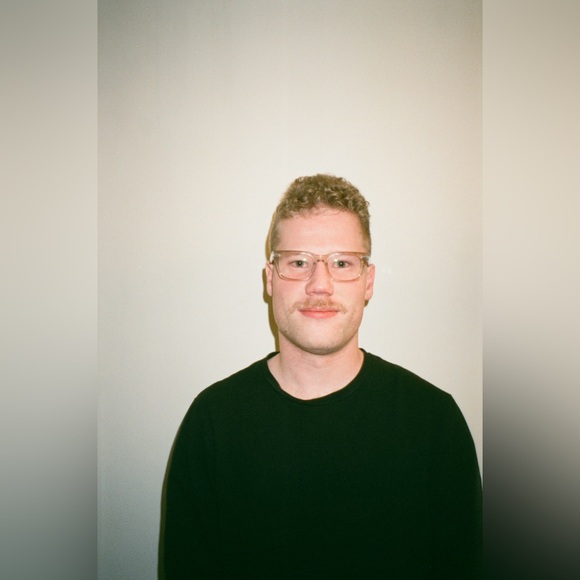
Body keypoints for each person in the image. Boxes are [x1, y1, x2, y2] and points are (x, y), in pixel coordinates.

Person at [163, 174, 482, 579]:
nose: (320, 285)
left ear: (368, 281)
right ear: (270, 279)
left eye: (342, 263)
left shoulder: (434, 421)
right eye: (298, 262)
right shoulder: (212, 421)